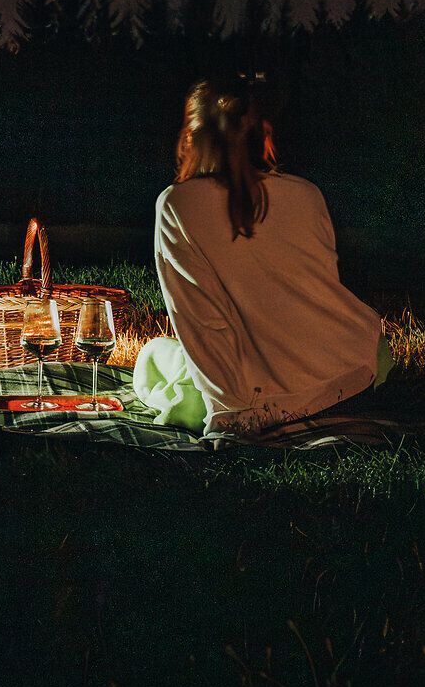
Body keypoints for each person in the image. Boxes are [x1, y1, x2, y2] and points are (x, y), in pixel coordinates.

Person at [136, 79, 389, 435]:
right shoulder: (306, 194)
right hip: (355, 368)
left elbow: (200, 321)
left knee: (153, 355)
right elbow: (318, 292)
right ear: (263, 133)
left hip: (263, 396)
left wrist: (231, 412)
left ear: (191, 139)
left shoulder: (178, 204)